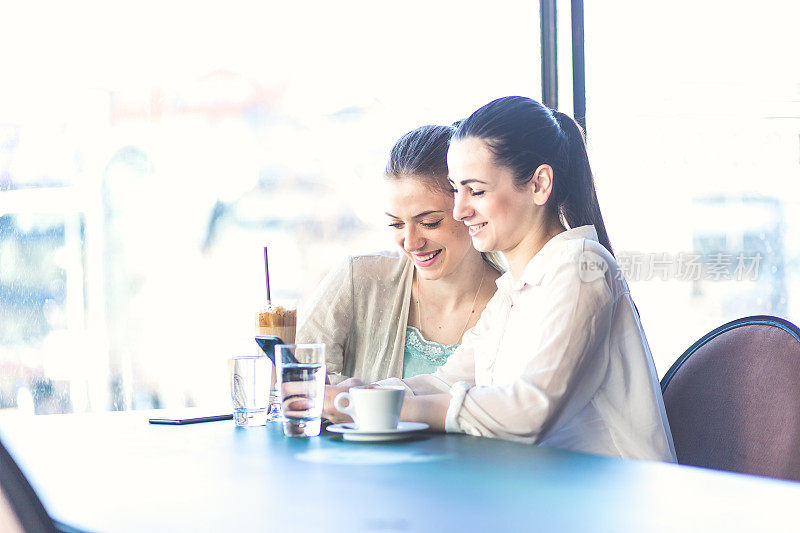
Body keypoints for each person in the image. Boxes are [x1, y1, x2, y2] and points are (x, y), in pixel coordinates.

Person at [324, 97, 676, 462]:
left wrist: (387, 410)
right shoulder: (513, 290)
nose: (460, 210)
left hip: (616, 504)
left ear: (539, 184)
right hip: (548, 493)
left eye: (475, 191)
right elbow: (449, 380)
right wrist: (366, 394)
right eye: (456, 190)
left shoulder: (583, 268)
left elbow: (530, 410)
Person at [297, 125, 502, 384]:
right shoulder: (359, 279)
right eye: (396, 224)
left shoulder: (512, 303)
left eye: (430, 223)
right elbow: (294, 375)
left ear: (469, 209)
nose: (411, 243)